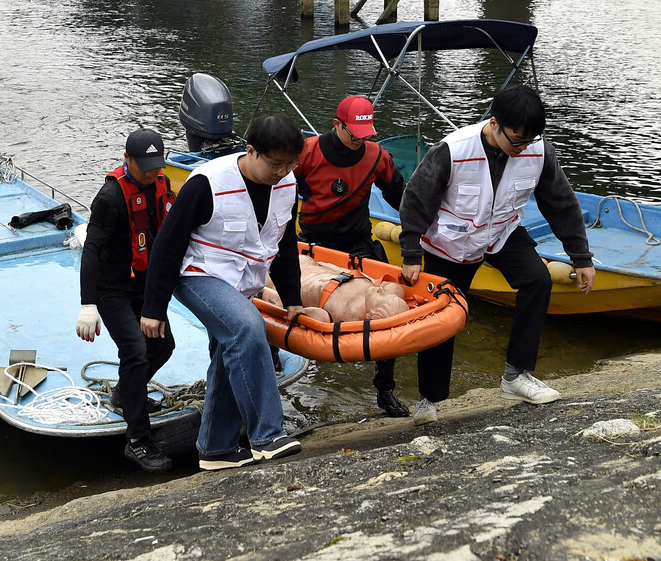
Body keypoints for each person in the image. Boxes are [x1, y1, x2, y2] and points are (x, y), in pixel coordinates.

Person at [398, 84, 595, 426]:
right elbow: (415, 200)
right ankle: (428, 399)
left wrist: (581, 257)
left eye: (529, 141)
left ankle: (515, 376)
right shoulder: (453, 150)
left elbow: (560, 202)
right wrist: (412, 252)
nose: (522, 148)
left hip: (502, 232)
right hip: (451, 243)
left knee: (537, 280)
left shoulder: (538, 151)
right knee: (444, 315)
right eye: (516, 140)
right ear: (494, 124)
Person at [141, 113, 306, 471]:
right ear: (251, 151)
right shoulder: (208, 182)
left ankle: (216, 449)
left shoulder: (288, 183)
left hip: (243, 281)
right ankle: (267, 436)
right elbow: (168, 244)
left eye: (290, 163)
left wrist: (292, 298)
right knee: (247, 328)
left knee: (229, 348)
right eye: (275, 164)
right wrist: (153, 307)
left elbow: (285, 241)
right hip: (197, 274)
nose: (282, 171)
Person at [293, 95, 410, 418]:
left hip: (358, 246)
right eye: (354, 134)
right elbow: (284, 195)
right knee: (293, 304)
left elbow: (400, 196)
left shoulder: (375, 156)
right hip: (313, 246)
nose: (361, 141)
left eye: (366, 135)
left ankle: (384, 388)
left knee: (388, 310)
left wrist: (418, 235)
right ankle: (284, 366)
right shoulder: (308, 152)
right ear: (337, 125)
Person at [77, 129, 177, 472]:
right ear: (128, 159)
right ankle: (138, 440)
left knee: (162, 347)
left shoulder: (162, 185)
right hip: (111, 287)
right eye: (144, 167)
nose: (151, 174)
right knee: (134, 352)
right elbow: (91, 249)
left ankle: (125, 394)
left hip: (145, 284)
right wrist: (87, 304)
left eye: (156, 166)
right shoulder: (110, 197)